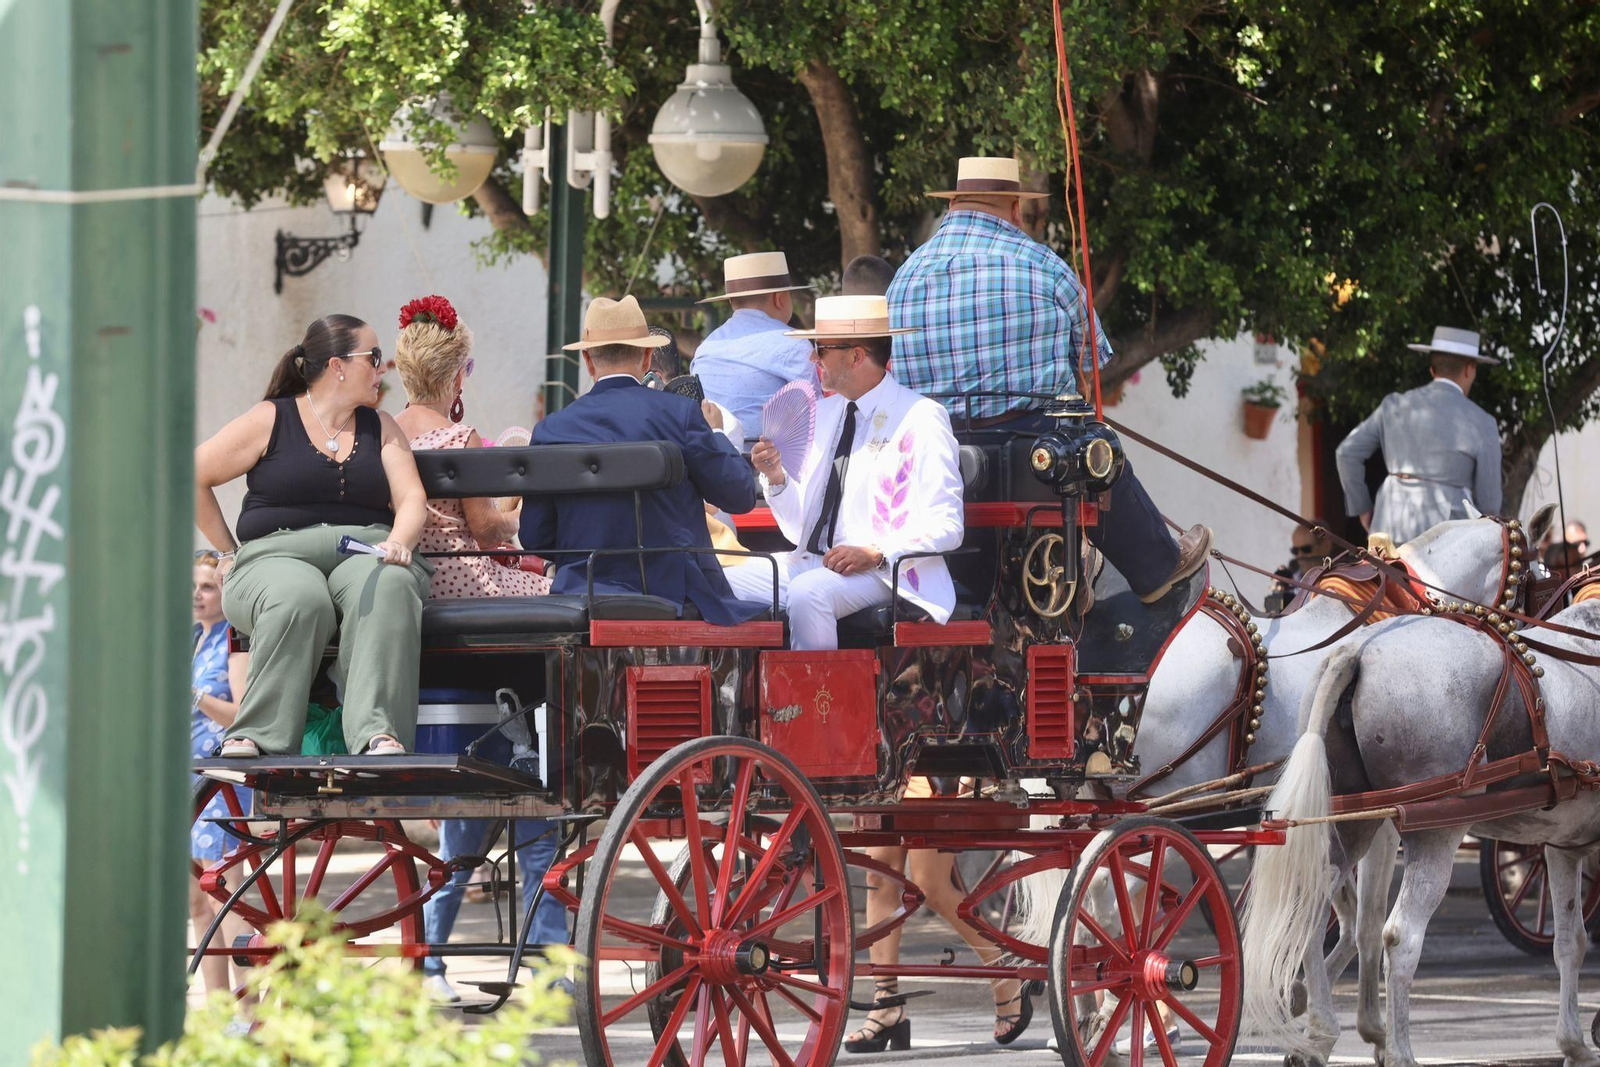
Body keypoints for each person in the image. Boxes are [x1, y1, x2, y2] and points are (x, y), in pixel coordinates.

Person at [887, 155, 1209, 605]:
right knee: (1096, 448)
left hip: (937, 456)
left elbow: (892, 376)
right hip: (1034, 453)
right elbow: (1094, 357)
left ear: (953, 204)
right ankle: (1157, 568)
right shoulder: (1043, 265)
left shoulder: (903, 279)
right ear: (1015, 208)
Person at [194, 314, 433, 757]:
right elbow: (193, 474)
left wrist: (399, 540)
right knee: (298, 597)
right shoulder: (272, 418)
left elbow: (412, 499)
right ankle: (259, 734)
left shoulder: (381, 426)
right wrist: (228, 551)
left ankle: (377, 733)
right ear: (339, 366)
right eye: (374, 358)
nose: (383, 369)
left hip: (365, 552)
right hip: (274, 558)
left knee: (391, 584)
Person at [730, 295, 964, 650]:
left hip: (884, 572)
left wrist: (876, 551)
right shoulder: (824, 414)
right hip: (811, 562)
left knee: (810, 593)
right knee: (718, 580)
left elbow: (948, 525)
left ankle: (815, 703)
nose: (813, 357)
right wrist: (776, 477)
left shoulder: (921, 417)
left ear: (856, 356)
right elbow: (798, 531)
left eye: (821, 349)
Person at [520, 295, 758, 624]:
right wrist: (717, 433)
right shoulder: (681, 414)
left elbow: (536, 538)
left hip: (582, 592)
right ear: (647, 357)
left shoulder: (551, 429)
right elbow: (740, 495)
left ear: (588, 362)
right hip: (676, 595)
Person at [392, 295, 550, 598]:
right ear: (456, 376)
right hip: (461, 580)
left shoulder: (385, 432)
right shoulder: (461, 438)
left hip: (405, 581)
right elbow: (487, 533)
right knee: (552, 589)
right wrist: (518, 515)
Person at [1335, 325, 1503, 545]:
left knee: (1381, 580)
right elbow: (1489, 505)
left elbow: (1346, 453)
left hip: (1389, 524)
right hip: (1449, 537)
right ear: (1470, 370)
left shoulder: (1393, 405)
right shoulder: (1483, 421)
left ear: (1432, 370)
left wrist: (1362, 508)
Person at [188, 552, 253, 994]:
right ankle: (218, 1013)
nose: (197, 594)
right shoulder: (191, 636)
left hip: (218, 782)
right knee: (196, 904)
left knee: (228, 898)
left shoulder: (234, 637)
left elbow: (244, 715)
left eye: (207, 586)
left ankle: (250, 1014)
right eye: (192, 586)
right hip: (181, 780)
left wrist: (194, 696)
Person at [691, 251, 816, 438]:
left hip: (707, 459)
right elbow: (820, 413)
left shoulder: (705, 348)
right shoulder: (793, 345)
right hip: (766, 463)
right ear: (779, 298)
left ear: (732, 301)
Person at [1266, 522, 1333, 612]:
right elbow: (1271, 616)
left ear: (1326, 546)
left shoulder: (1337, 580)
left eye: (1306, 549)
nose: (1300, 556)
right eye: (1295, 551)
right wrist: (1276, 600)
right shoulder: (1289, 578)